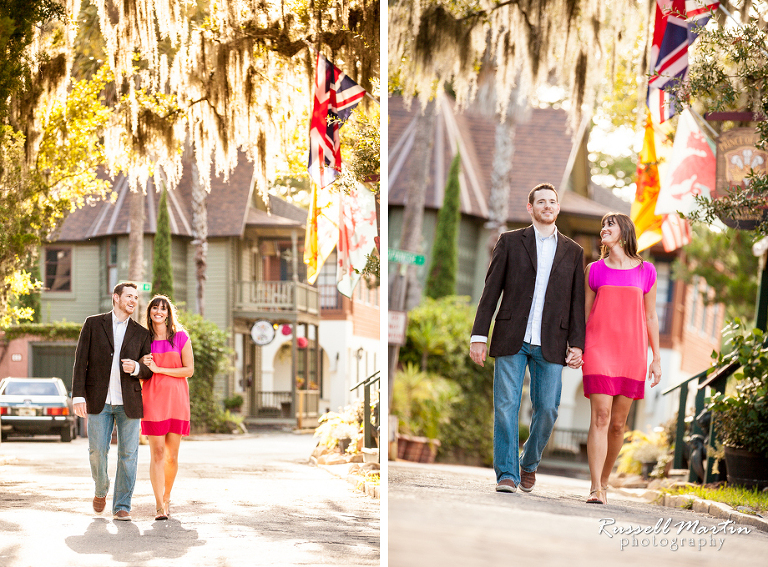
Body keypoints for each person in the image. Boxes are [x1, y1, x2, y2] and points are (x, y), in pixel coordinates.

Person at [470, 183, 586, 493]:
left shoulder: (574, 252)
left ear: (558, 208)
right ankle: (506, 474)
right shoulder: (509, 242)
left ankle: (528, 464)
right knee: (506, 406)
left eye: (552, 202)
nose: (548, 206)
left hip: (551, 341)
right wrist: (479, 336)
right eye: (542, 202)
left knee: (547, 409)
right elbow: (490, 291)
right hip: (512, 336)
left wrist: (577, 344)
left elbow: (577, 302)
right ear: (530, 208)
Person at [581, 213, 661, 505]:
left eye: (609, 225)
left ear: (624, 233)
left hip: (632, 352)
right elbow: (584, 315)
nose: (604, 229)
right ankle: (595, 488)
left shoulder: (647, 271)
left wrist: (656, 358)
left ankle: (605, 479)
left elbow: (651, 315)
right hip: (599, 349)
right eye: (602, 225)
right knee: (600, 417)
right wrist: (576, 347)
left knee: (617, 424)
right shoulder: (593, 270)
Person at [73, 282, 153, 521]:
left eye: (136, 297)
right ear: (116, 297)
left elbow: (149, 370)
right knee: (97, 451)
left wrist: (137, 367)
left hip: (129, 402)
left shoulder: (142, 333)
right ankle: (100, 489)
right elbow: (80, 362)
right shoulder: (93, 324)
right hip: (99, 400)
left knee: (128, 455)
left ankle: (122, 505)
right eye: (129, 296)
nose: (133, 300)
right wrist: (78, 395)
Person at [140, 295, 194, 521]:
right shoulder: (143, 339)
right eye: (155, 308)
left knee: (172, 456)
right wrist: (142, 364)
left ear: (168, 312)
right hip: (152, 399)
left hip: (177, 400)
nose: (158, 312)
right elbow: (139, 370)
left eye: (163, 308)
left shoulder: (181, 337)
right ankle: (159, 504)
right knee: (158, 453)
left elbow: (188, 370)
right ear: (150, 312)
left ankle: (168, 495)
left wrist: (160, 369)